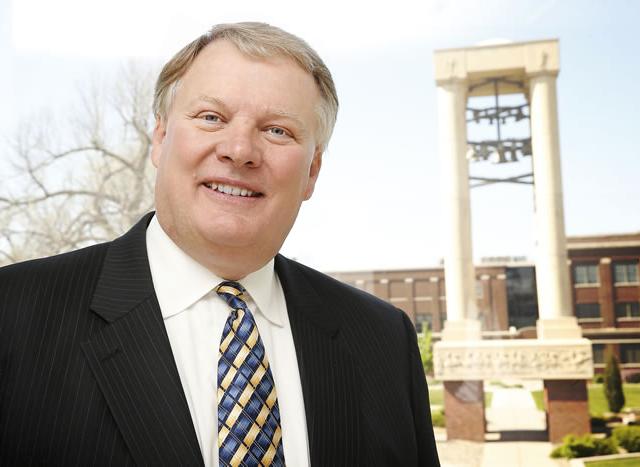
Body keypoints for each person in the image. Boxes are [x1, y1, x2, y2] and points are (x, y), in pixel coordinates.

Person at [0, 22, 440, 466]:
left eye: (277, 131)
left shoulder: (383, 341)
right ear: (160, 138)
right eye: (211, 117)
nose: (239, 149)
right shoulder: (12, 315)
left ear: (312, 172)